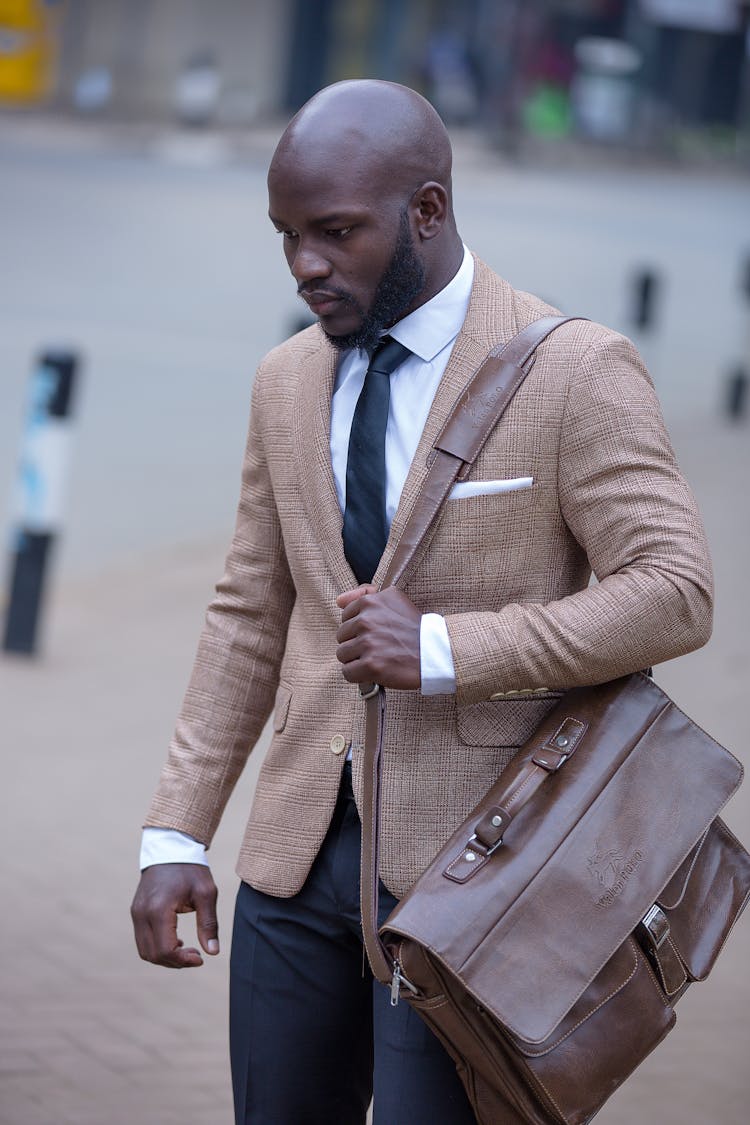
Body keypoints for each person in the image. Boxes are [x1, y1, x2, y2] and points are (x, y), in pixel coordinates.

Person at [130, 79, 713, 1125]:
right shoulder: (285, 379)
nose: (307, 264)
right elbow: (249, 614)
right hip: (294, 858)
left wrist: (445, 647)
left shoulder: (573, 370)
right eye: (288, 236)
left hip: (482, 873)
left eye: (336, 233)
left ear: (428, 211)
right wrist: (178, 834)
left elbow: (674, 593)